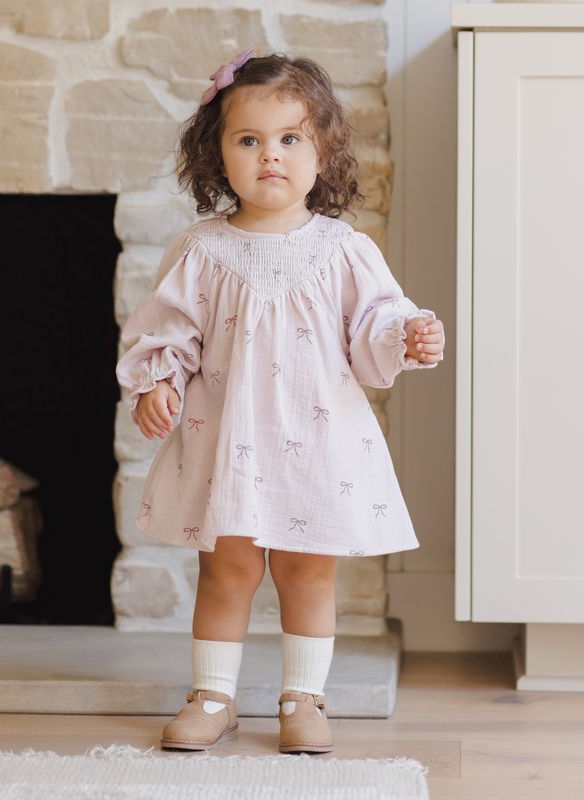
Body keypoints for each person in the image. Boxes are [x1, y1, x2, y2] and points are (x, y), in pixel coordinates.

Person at [116, 49, 445, 755]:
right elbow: (166, 331)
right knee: (227, 566)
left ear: (323, 152)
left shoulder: (342, 250)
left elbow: (375, 331)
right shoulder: (201, 249)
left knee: (307, 567)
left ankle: (303, 697)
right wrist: (158, 383)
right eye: (250, 140)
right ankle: (214, 695)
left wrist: (407, 336)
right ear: (218, 156)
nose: (272, 156)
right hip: (226, 440)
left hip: (317, 441)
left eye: (291, 138)